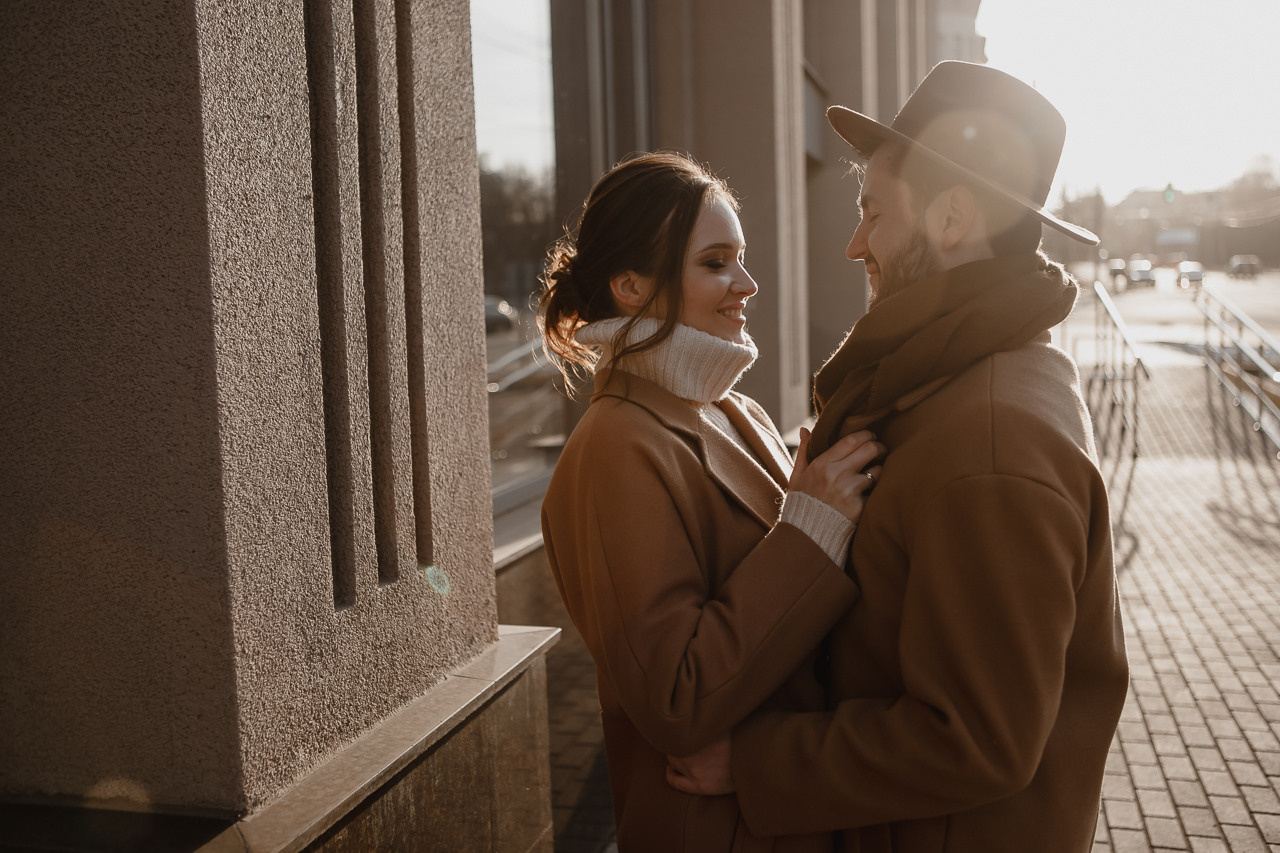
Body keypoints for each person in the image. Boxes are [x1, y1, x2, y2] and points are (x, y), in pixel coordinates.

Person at [667, 61, 1130, 852]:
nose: (856, 244)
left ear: (952, 218)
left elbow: (973, 738)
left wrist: (758, 760)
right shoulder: (963, 372)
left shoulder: (990, 445)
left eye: (874, 213)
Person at [538, 151, 885, 852]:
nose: (746, 284)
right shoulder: (613, 447)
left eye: (741, 258)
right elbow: (676, 696)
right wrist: (808, 533)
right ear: (631, 285)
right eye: (715, 262)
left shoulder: (735, 409)